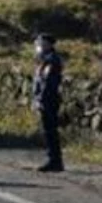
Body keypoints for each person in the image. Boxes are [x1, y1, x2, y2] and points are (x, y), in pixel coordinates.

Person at [31, 33, 64, 173]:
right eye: (38, 44)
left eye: (41, 43)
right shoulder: (44, 60)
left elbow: (48, 83)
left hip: (49, 100)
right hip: (46, 99)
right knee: (48, 131)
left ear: (49, 45)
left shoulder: (52, 60)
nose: (39, 46)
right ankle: (53, 159)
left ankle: (54, 161)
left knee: (50, 131)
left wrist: (40, 100)